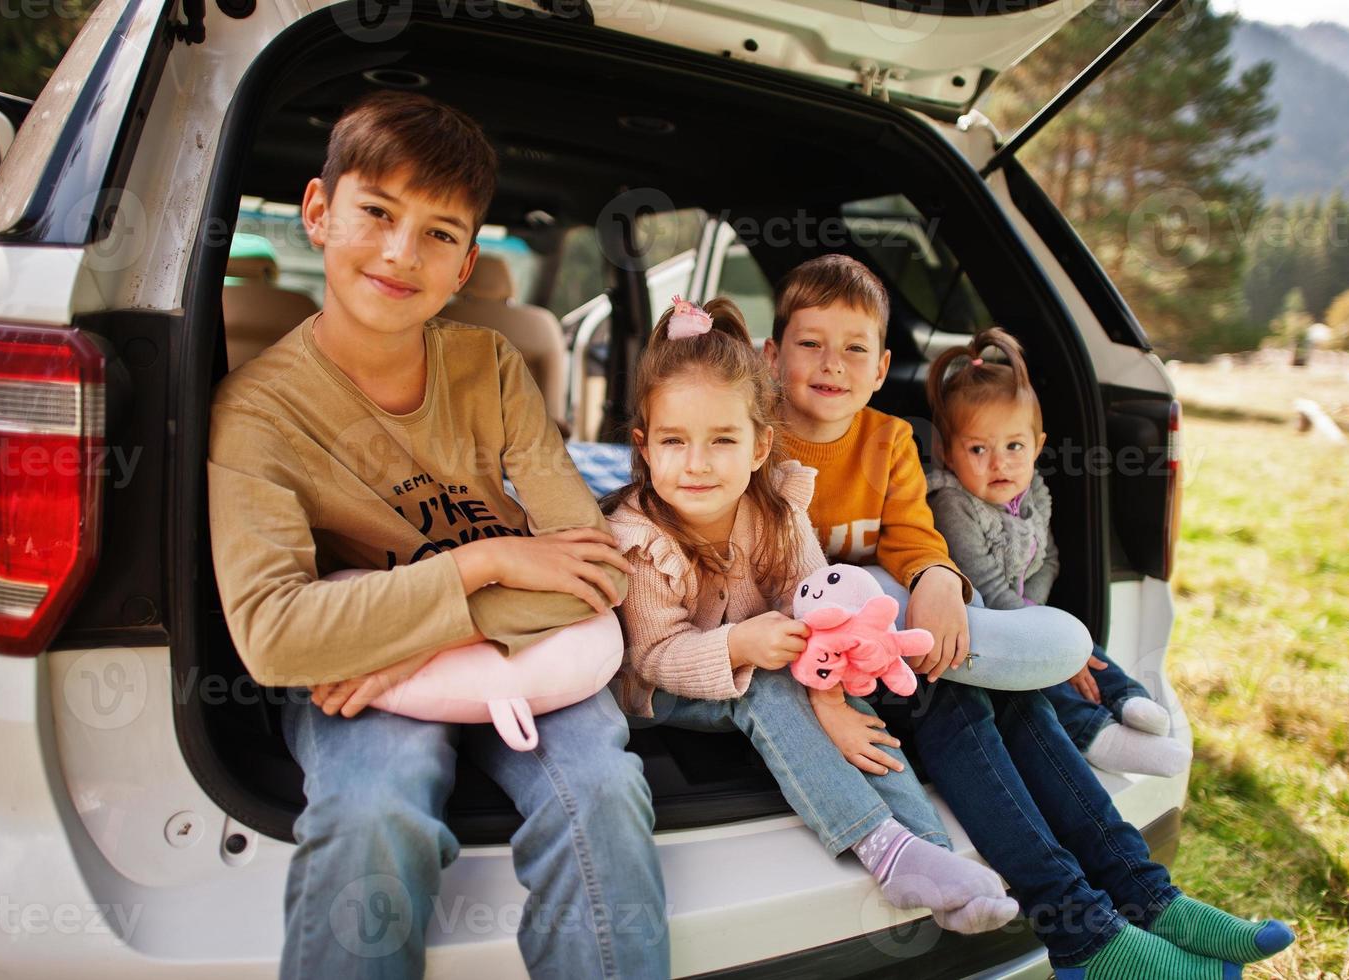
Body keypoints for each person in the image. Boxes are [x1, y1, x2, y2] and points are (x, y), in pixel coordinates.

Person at [207, 91, 666, 979]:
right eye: (376, 213)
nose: (398, 252)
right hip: (363, 677)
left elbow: (595, 564)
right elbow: (273, 636)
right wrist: (489, 558)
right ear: (317, 213)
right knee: (372, 811)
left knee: (606, 792)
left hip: (470, 650)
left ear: (464, 267)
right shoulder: (255, 412)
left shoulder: (489, 366)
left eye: (439, 233)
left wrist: (426, 629)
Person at [766, 254, 1294, 978]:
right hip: (814, 665)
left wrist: (937, 579)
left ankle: (1146, 898)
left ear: (883, 362)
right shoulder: (753, 442)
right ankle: (1084, 933)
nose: (832, 364)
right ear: (771, 354)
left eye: (854, 348)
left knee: (1005, 695)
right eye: (809, 344)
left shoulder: (889, 440)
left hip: (898, 642)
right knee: (959, 705)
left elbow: (914, 535)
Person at [606, 295, 1019, 935]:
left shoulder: (776, 508)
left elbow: (816, 601)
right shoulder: (638, 537)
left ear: (758, 445)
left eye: (722, 440)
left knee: (851, 695)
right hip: (667, 688)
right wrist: (741, 645)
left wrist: (832, 699)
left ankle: (932, 852)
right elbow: (652, 656)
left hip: (769, 653)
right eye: (673, 441)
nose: (696, 462)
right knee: (771, 688)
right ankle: (883, 848)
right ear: (644, 446)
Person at [924, 326, 1192, 778]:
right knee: (1043, 672)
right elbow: (984, 584)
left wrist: (1043, 614)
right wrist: (1042, 632)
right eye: (977, 449)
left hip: (1025, 612)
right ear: (948, 455)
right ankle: (1096, 735)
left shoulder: (1035, 495)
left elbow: (1047, 558)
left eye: (1014, 446)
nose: (999, 463)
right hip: (978, 626)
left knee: (1087, 644)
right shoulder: (952, 505)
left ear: (1038, 447)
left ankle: (1128, 700)